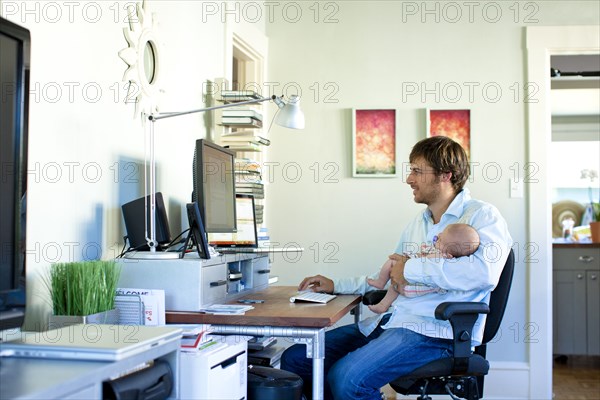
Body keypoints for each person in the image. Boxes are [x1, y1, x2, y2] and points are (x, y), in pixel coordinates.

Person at [280, 136, 513, 400]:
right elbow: (392, 273)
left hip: (434, 332)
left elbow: (484, 274)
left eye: (416, 171)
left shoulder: (482, 216)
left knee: (347, 380)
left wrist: (410, 269)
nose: (408, 179)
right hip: (392, 321)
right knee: (297, 359)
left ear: (445, 175)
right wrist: (336, 285)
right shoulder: (418, 223)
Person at [367, 223, 481, 313]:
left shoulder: (441, 256)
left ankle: (381, 285)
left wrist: (410, 259)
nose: (437, 236)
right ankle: (382, 302)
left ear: (449, 254)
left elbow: (422, 260)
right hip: (410, 288)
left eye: (440, 239)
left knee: (394, 274)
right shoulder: (440, 252)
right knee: (395, 278)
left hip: (413, 288)